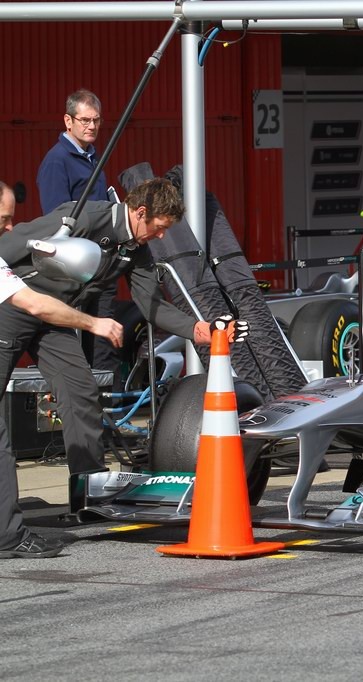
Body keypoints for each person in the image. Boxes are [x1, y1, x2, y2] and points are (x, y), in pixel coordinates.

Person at [0, 178, 231, 498]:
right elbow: (12, 245)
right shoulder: (82, 217)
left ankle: (88, 491)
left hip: (58, 319)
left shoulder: (137, 250)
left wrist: (196, 329)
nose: (162, 235)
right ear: (140, 212)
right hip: (14, 307)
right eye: (160, 226)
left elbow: (151, 305)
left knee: (81, 392)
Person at [0, 249, 124, 558]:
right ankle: (7, 537)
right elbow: (33, 303)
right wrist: (94, 323)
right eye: (3, 218)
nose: (10, 226)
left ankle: (90, 494)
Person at [37, 89, 120, 378]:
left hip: (101, 262)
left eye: (96, 120)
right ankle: (91, 393)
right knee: (83, 337)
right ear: (67, 121)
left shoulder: (91, 157)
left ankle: (106, 393)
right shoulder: (57, 161)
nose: (92, 126)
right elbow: (56, 219)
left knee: (102, 335)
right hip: (76, 270)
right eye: (84, 120)